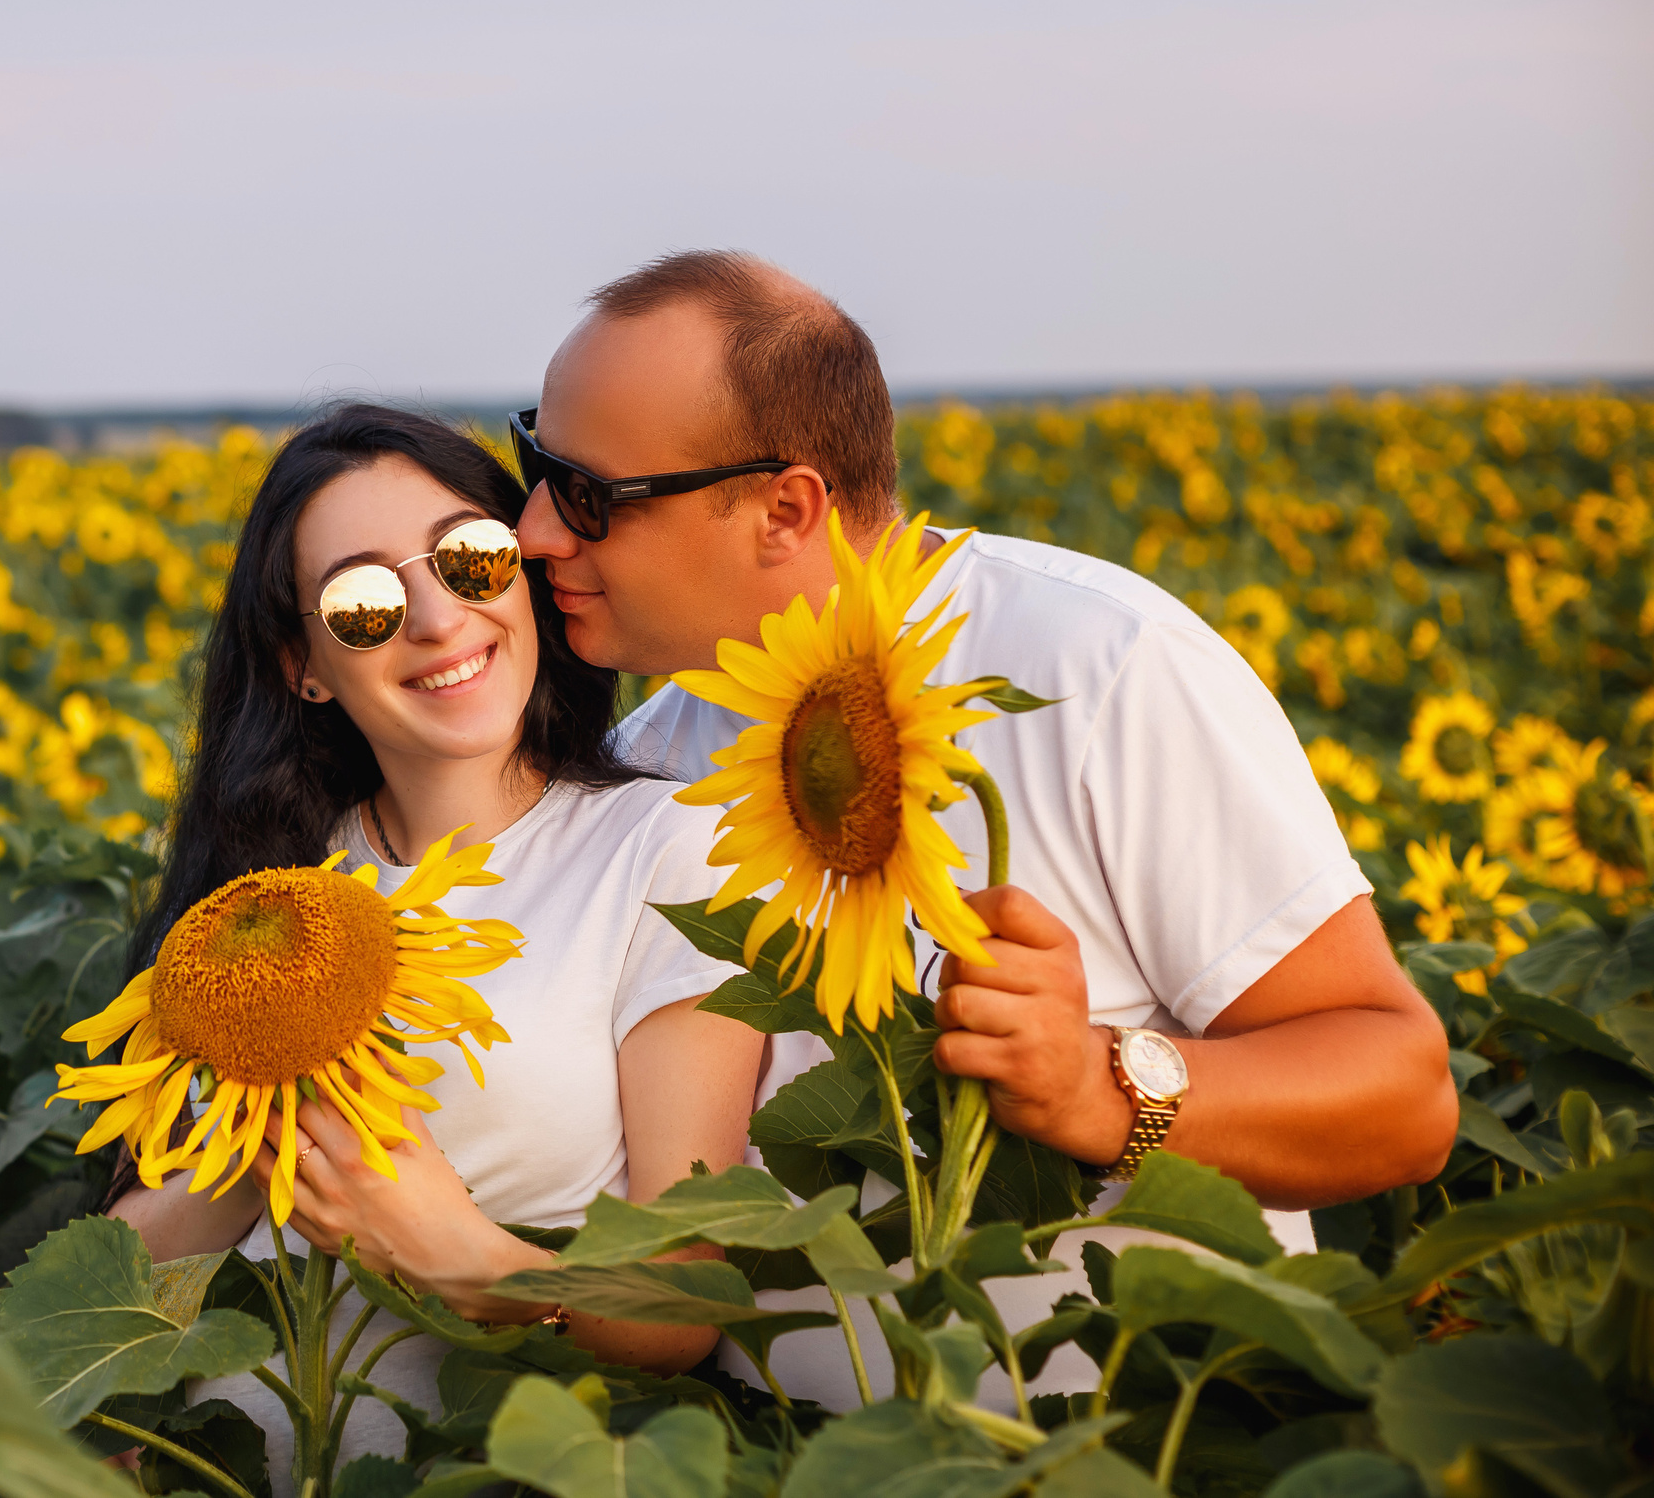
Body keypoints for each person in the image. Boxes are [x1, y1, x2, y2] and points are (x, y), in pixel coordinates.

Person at [509, 249, 1458, 1404]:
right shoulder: (655, 756)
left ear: (783, 509)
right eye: (536, 466)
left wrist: (1100, 1088)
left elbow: (1402, 1093)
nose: (532, 531)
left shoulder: (1095, 669)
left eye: (590, 494)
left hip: (1130, 1441)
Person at [105, 403, 764, 1480]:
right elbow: (113, 1283)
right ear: (302, 664)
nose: (436, 617)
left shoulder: (667, 855)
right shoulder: (270, 889)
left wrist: (452, 1255)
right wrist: (265, 1122)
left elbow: (682, 1301)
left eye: (469, 556)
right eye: (361, 600)